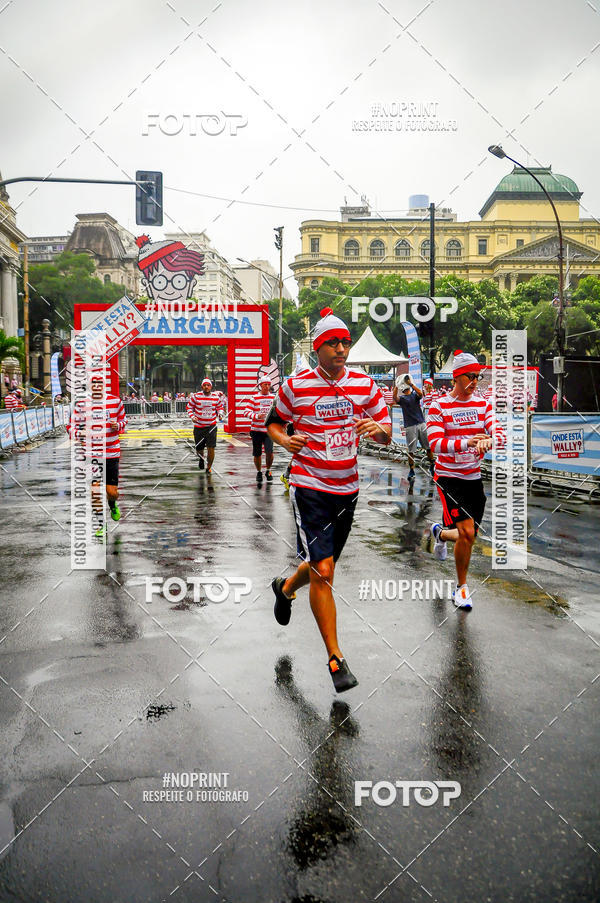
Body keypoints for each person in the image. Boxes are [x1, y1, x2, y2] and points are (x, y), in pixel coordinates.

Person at [267, 307, 391, 693]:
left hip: (347, 489)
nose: (341, 348)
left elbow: (387, 431)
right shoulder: (296, 385)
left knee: (322, 565)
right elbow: (274, 421)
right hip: (310, 486)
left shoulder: (364, 385)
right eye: (333, 343)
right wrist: (285, 440)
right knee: (324, 570)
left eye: (345, 342)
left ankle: (286, 587)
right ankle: (336, 659)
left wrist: (378, 429)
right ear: (318, 347)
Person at [426, 350, 501, 611]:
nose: (475, 382)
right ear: (457, 377)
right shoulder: (439, 406)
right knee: (467, 533)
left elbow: (498, 432)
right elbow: (436, 443)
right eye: (470, 376)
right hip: (449, 477)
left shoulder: (483, 404)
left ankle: (440, 533)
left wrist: (491, 440)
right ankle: (461, 588)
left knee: (468, 536)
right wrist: (467, 441)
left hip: (474, 478)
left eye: (478, 377)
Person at [67, 386, 127, 538]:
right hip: (90, 454)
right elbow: (70, 426)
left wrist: (118, 426)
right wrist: (78, 433)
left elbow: (123, 420)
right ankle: (100, 524)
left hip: (111, 452)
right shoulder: (81, 405)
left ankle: (112, 505)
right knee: (95, 491)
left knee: (111, 492)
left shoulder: (115, 401)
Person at [393, 375, 435, 480]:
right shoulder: (402, 399)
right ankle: (411, 470)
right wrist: (397, 386)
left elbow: (421, 394)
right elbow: (395, 398)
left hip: (421, 423)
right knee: (411, 450)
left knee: (428, 447)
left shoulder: (414, 396)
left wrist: (411, 384)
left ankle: (432, 465)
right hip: (411, 426)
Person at [186, 378, 225, 473]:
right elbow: (189, 407)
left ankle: (209, 467)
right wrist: (192, 417)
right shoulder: (196, 396)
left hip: (211, 426)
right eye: (205, 385)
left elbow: (220, 407)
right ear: (202, 387)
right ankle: (201, 458)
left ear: (211, 387)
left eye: (208, 385)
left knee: (211, 447)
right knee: (199, 448)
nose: (206, 387)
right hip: (199, 426)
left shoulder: (216, 397)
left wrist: (220, 414)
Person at [244, 376, 276, 485]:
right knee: (257, 453)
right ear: (260, 386)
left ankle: (268, 470)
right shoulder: (254, 398)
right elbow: (246, 412)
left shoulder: (274, 398)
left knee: (269, 452)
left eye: (268, 384)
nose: (267, 387)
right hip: (256, 430)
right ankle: (259, 472)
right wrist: (257, 416)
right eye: (265, 385)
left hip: (269, 431)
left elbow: (279, 411)